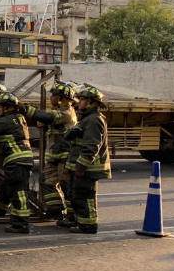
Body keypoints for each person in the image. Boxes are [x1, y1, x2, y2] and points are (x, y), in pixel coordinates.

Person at [22, 83, 78, 220]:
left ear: (62, 99)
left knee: (66, 186)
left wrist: (24, 109)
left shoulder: (66, 112)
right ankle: (55, 209)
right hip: (55, 157)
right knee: (46, 181)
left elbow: (49, 117)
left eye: (53, 95)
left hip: (65, 157)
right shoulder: (59, 111)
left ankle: (72, 216)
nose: (51, 97)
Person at [0, 93, 33, 234]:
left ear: (8, 107)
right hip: (21, 160)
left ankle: (20, 224)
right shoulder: (18, 118)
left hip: (16, 161)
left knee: (18, 193)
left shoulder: (4, 121)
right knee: (5, 191)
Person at [64, 85, 110, 234]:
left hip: (88, 169)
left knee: (85, 197)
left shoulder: (93, 120)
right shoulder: (86, 118)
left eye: (82, 99)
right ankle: (81, 223)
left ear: (92, 102)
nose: (79, 102)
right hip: (82, 167)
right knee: (77, 196)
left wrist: (81, 167)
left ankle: (88, 226)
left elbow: (91, 147)